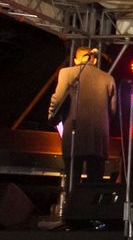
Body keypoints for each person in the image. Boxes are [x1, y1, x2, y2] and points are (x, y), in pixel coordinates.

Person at [48, 46, 116, 186]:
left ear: (75, 60)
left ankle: (73, 200)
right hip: (98, 139)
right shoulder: (108, 79)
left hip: (75, 135)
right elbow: (112, 110)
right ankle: (92, 200)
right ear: (94, 60)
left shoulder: (67, 73)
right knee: (95, 183)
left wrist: (52, 117)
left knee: (72, 180)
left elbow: (59, 98)